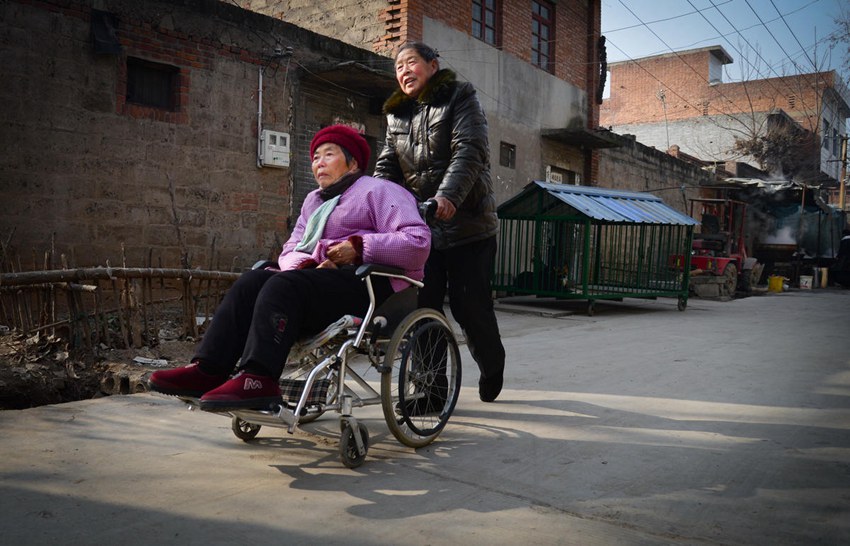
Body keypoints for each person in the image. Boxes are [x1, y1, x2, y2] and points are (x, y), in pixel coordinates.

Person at [148, 125, 431, 410]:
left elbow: (417, 242)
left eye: (328, 154)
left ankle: (258, 377)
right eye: (315, 157)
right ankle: (208, 369)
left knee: (283, 284)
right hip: (315, 282)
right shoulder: (313, 201)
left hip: (365, 285)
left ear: (353, 162)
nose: (318, 162)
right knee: (252, 281)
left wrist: (358, 248)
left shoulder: (379, 191)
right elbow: (293, 247)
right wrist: (308, 264)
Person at [374, 42, 506, 403]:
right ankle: (431, 392)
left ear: (432, 65)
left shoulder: (461, 98)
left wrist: (448, 196)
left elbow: (471, 150)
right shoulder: (395, 115)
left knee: (470, 308)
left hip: (469, 226)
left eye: (410, 62)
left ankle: (492, 363)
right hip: (423, 229)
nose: (403, 71)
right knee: (423, 309)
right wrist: (373, 203)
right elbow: (388, 166)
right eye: (398, 66)